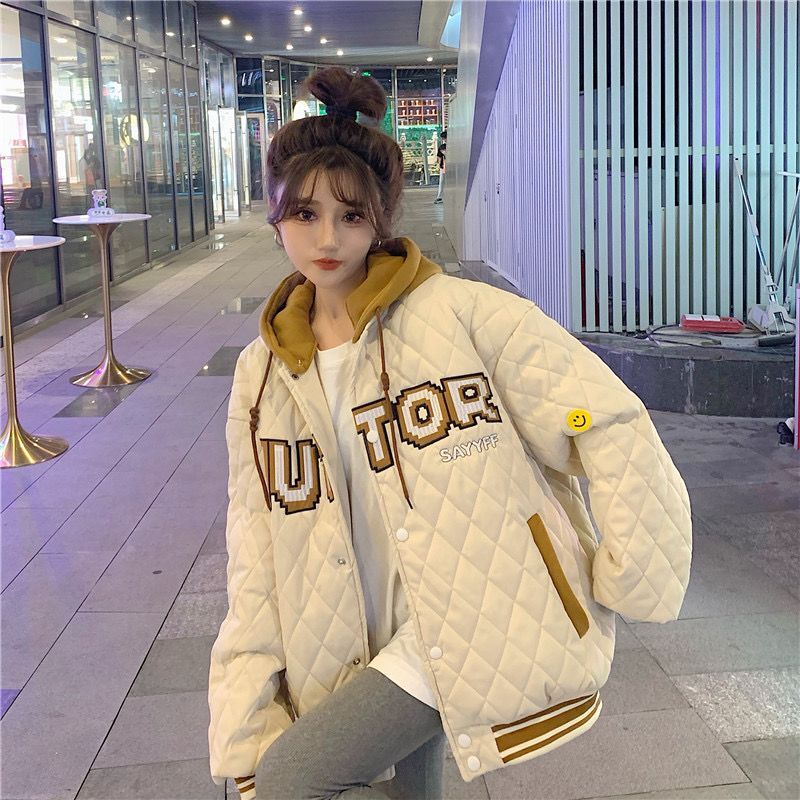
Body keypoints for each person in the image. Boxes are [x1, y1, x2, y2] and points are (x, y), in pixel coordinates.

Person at [208, 66, 692, 800]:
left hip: (463, 611)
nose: (327, 237)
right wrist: (247, 703)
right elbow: (253, 539)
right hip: (344, 626)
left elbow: (601, 416)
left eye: (351, 215)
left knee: (291, 781)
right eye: (305, 213)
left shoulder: (464, 316)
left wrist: (634, 567)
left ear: (381, 219)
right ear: (275, 215)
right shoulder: (262, 372)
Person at [434, 129, 446, 204]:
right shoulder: (442, 147)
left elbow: (439, 157)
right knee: (442, 181)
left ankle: (440, 197)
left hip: (444, 167)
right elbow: (439, 157)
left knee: (442, 182)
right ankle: (440, 197)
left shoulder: (442, 147)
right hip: (444, 166)